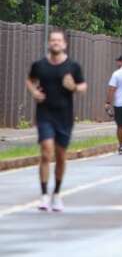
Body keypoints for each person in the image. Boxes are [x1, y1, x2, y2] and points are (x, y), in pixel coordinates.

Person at [26, 29, 87, 212]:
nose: (55, 43)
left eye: (58, 40)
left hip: (64, 117)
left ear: (64, 44)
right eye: (52, 40)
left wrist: (74, 87)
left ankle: (57, 195)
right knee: (46, 152)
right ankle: (44, 195)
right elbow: (30, 80)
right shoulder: (40, 65)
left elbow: (83, 86)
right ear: (48, 43)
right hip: (45, 114)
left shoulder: (72, 66)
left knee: (60, 157)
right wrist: (34, 92)